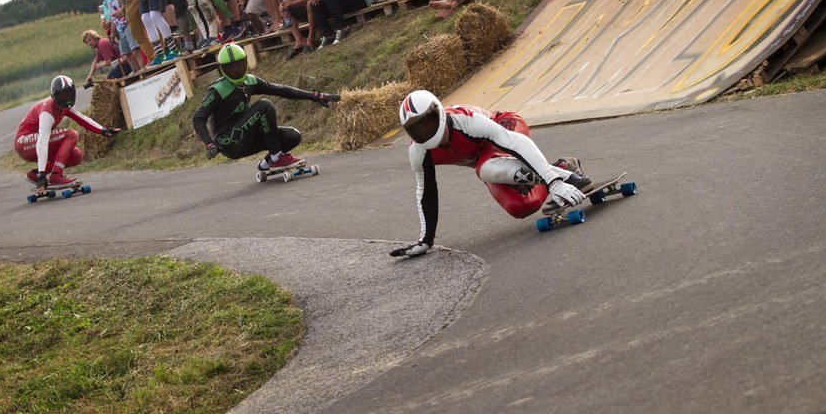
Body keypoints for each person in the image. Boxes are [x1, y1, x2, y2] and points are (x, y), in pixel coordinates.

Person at [389, 90, 592, 257]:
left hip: (505, 126)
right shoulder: (418, 151)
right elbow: (427, 193)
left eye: (427, 122)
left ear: (439, 112)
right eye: (417, 129)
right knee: (520, 207)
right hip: (488, 164)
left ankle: (565, 176)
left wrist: (554, 182)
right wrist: (425, 241)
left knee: (485, 168)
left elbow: (515, 142)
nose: (425, 132)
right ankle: (563, 166)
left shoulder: (466, 120)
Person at [191, 43, 340, 171]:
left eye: (239, 64)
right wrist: (209, 144)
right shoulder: (217, 90)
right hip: (228, 143)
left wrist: (315, 96)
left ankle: (267, 163)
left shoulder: (250, 81)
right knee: (264, 105)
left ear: (246, 62)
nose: (236, 70)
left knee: (293, 136)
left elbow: (282, 90)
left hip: (247, 138)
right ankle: (277, 158)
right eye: (231, 67)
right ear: (222, 69)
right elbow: (198, 118)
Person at [15, 76, 120, 190]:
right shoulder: (47, 112)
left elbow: (83, 119)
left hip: (35, 142)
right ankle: (56, 177)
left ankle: (34, 174)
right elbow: (42, 143)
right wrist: (42, 173)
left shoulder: (64, 106)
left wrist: (103, 130)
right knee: (71, 134)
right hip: (24, 142)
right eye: (63, 95)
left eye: (70, 94)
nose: (67, 98)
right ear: (55, 96)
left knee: (76, 155)